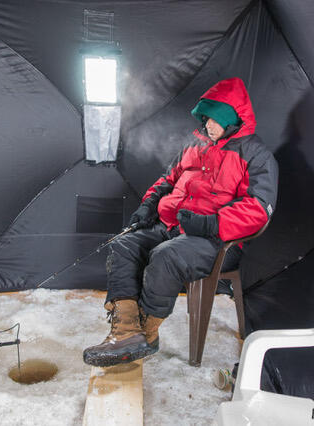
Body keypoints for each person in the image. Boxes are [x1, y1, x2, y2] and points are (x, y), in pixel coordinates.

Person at [83, 77, 278, 367]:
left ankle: (146, 336)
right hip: (172, 226)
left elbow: (258, 210)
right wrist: (149, 205)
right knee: (123, 245)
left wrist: (211, 225)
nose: (208, 125)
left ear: (233, 119)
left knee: (166, 256)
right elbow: (168, 179)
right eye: (206, 118)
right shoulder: (195, 143)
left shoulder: (256, 156)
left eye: (215, 120)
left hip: (216, 240)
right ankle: (126, 332)